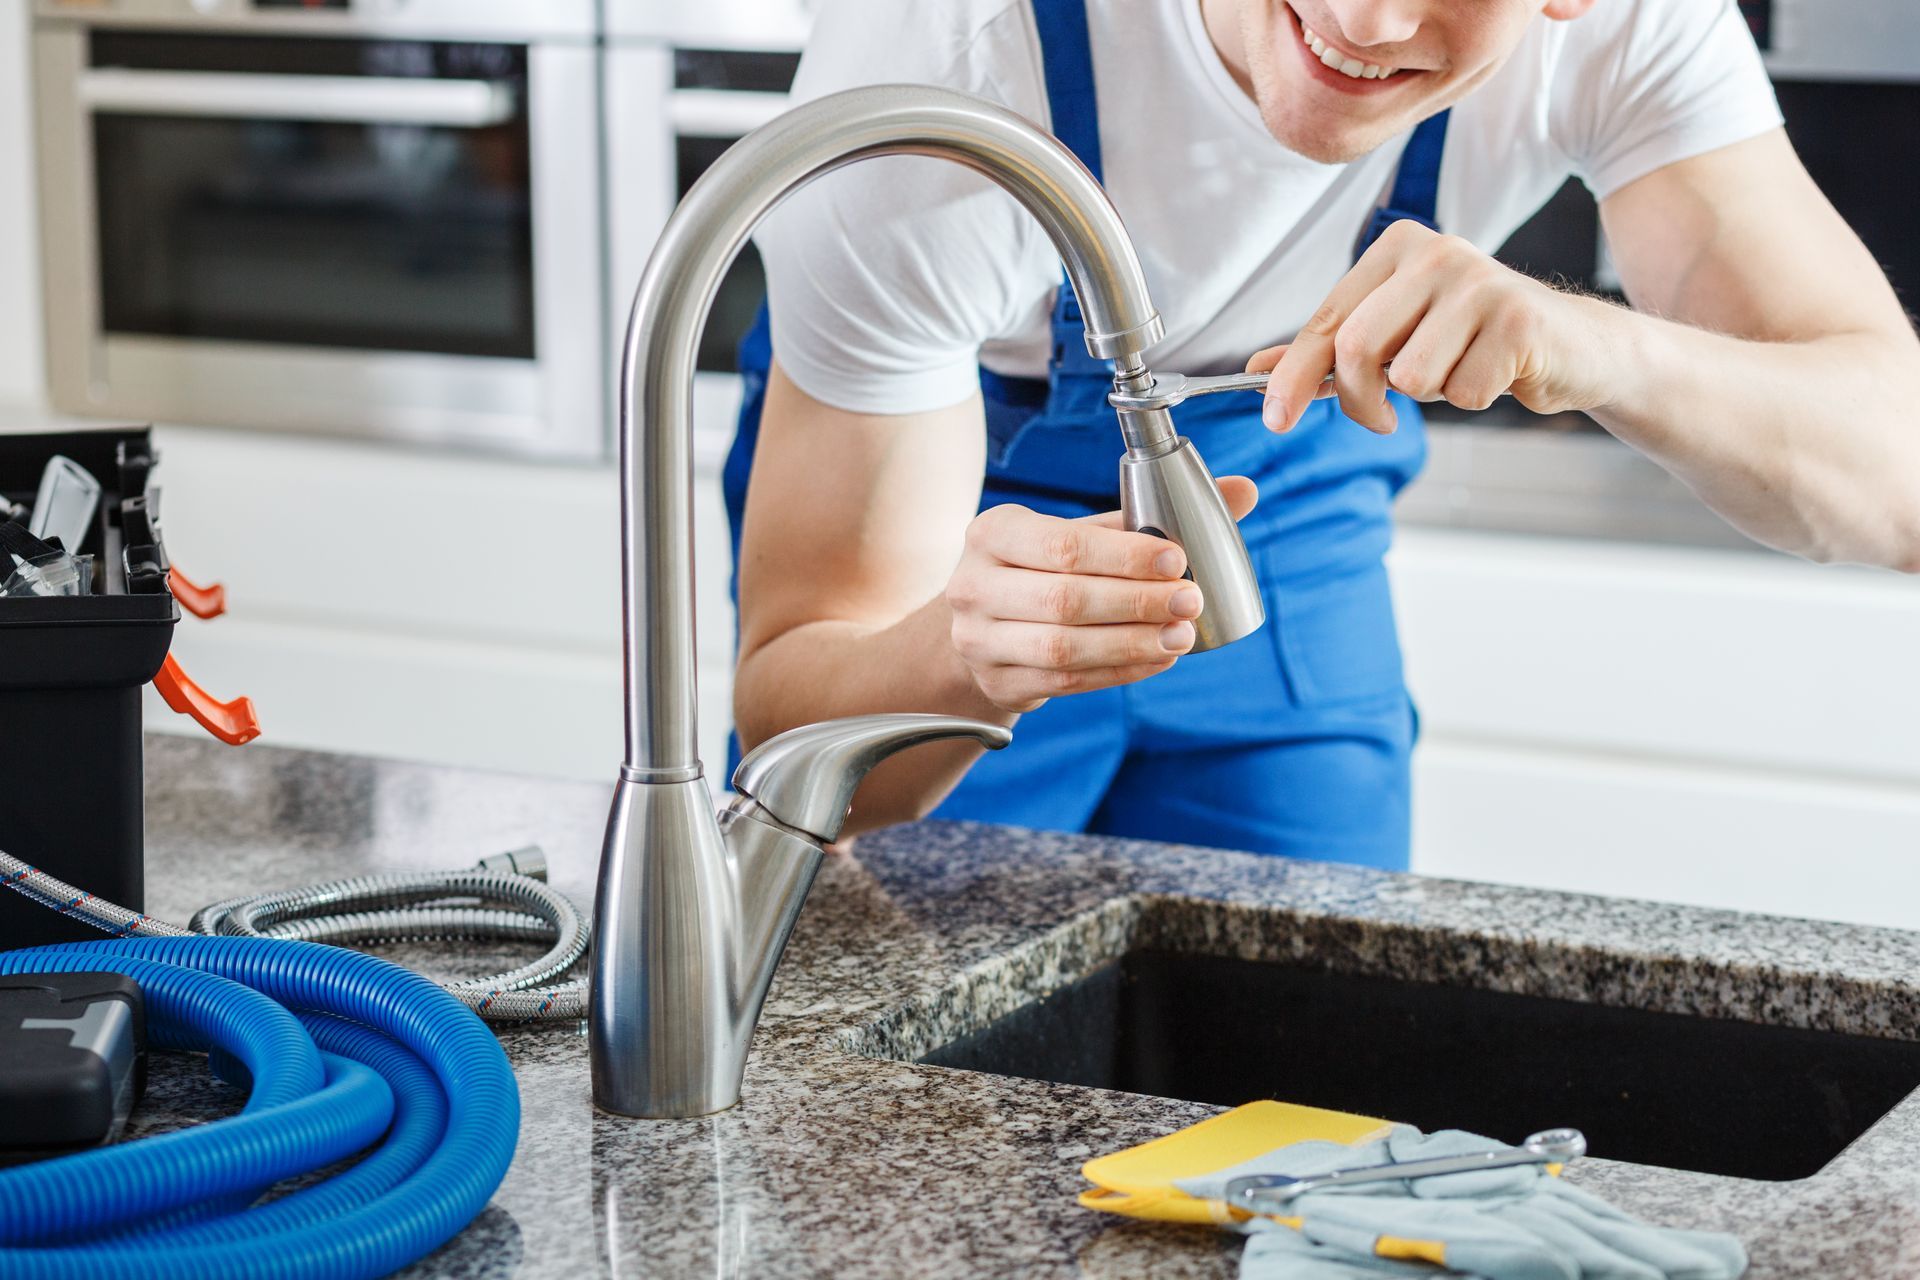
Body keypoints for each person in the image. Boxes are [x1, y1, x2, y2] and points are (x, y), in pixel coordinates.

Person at [722, 0, 1920, 869]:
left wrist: (1600, 345)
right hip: (959, 533)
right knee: (896, 1072)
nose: (1370, 19)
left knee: (1316, 1069)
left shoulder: (1623, 30)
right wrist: (957, 656)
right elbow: (805, 740)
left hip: (1284, 509)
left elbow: (1898, 482)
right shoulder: (939, 71)